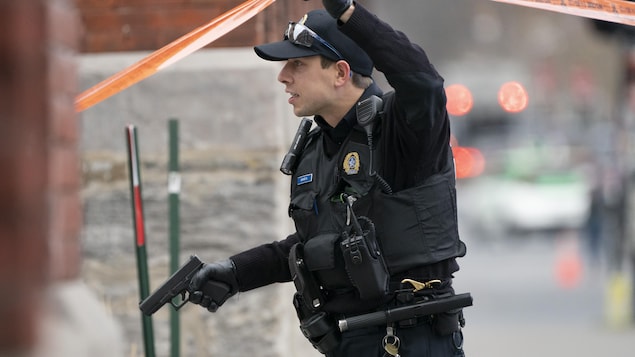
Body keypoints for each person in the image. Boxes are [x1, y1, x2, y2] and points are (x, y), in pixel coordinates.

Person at [189, 1, 468, 356]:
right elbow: (314, 245)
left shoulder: (402, 131)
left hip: (410, 340)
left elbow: (425, 82)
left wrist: (349, 13)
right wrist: (234, 272)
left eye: (297, 64)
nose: (283, 76)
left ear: (340, 73)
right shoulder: (316, 148)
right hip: (350, 342)